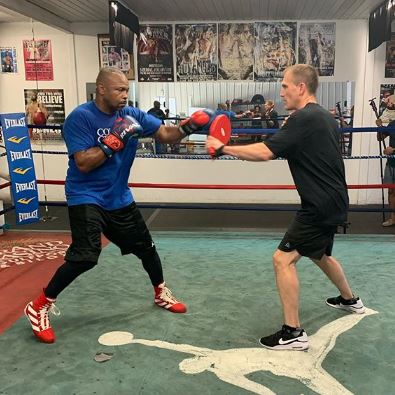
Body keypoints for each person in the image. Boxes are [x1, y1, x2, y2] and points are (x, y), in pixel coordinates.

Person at [24, 67, 215, 344]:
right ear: (101, 89)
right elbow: (83, 162)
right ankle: (39, 305)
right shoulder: (80, 118)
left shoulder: (133, 115)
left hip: (118, 197)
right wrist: (113, 141)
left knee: (146, 248)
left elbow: (164, 134)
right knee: (86, 255)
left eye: (127, 89)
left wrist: (189, 127)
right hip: (85, 195)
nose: (125, 95)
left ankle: (160, 291)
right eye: (119, 90)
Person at [206, 64, 365, 351]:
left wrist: (223, 147)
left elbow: (265, 151)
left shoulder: (303, 118)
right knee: (320, 254)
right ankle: (350, 300)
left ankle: (292, 333)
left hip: (318, 204)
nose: (281, 94)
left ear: (301, 87)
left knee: (282, 260)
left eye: (285, 87)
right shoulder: (324, 117)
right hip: (334, 199)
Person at [376, 118, 395, 226]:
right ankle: (393, 218)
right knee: (391, 191)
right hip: (391, 163)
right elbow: (380, 138)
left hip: (392, 156)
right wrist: (379, 128)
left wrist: (393, 150)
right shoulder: (393, 123)